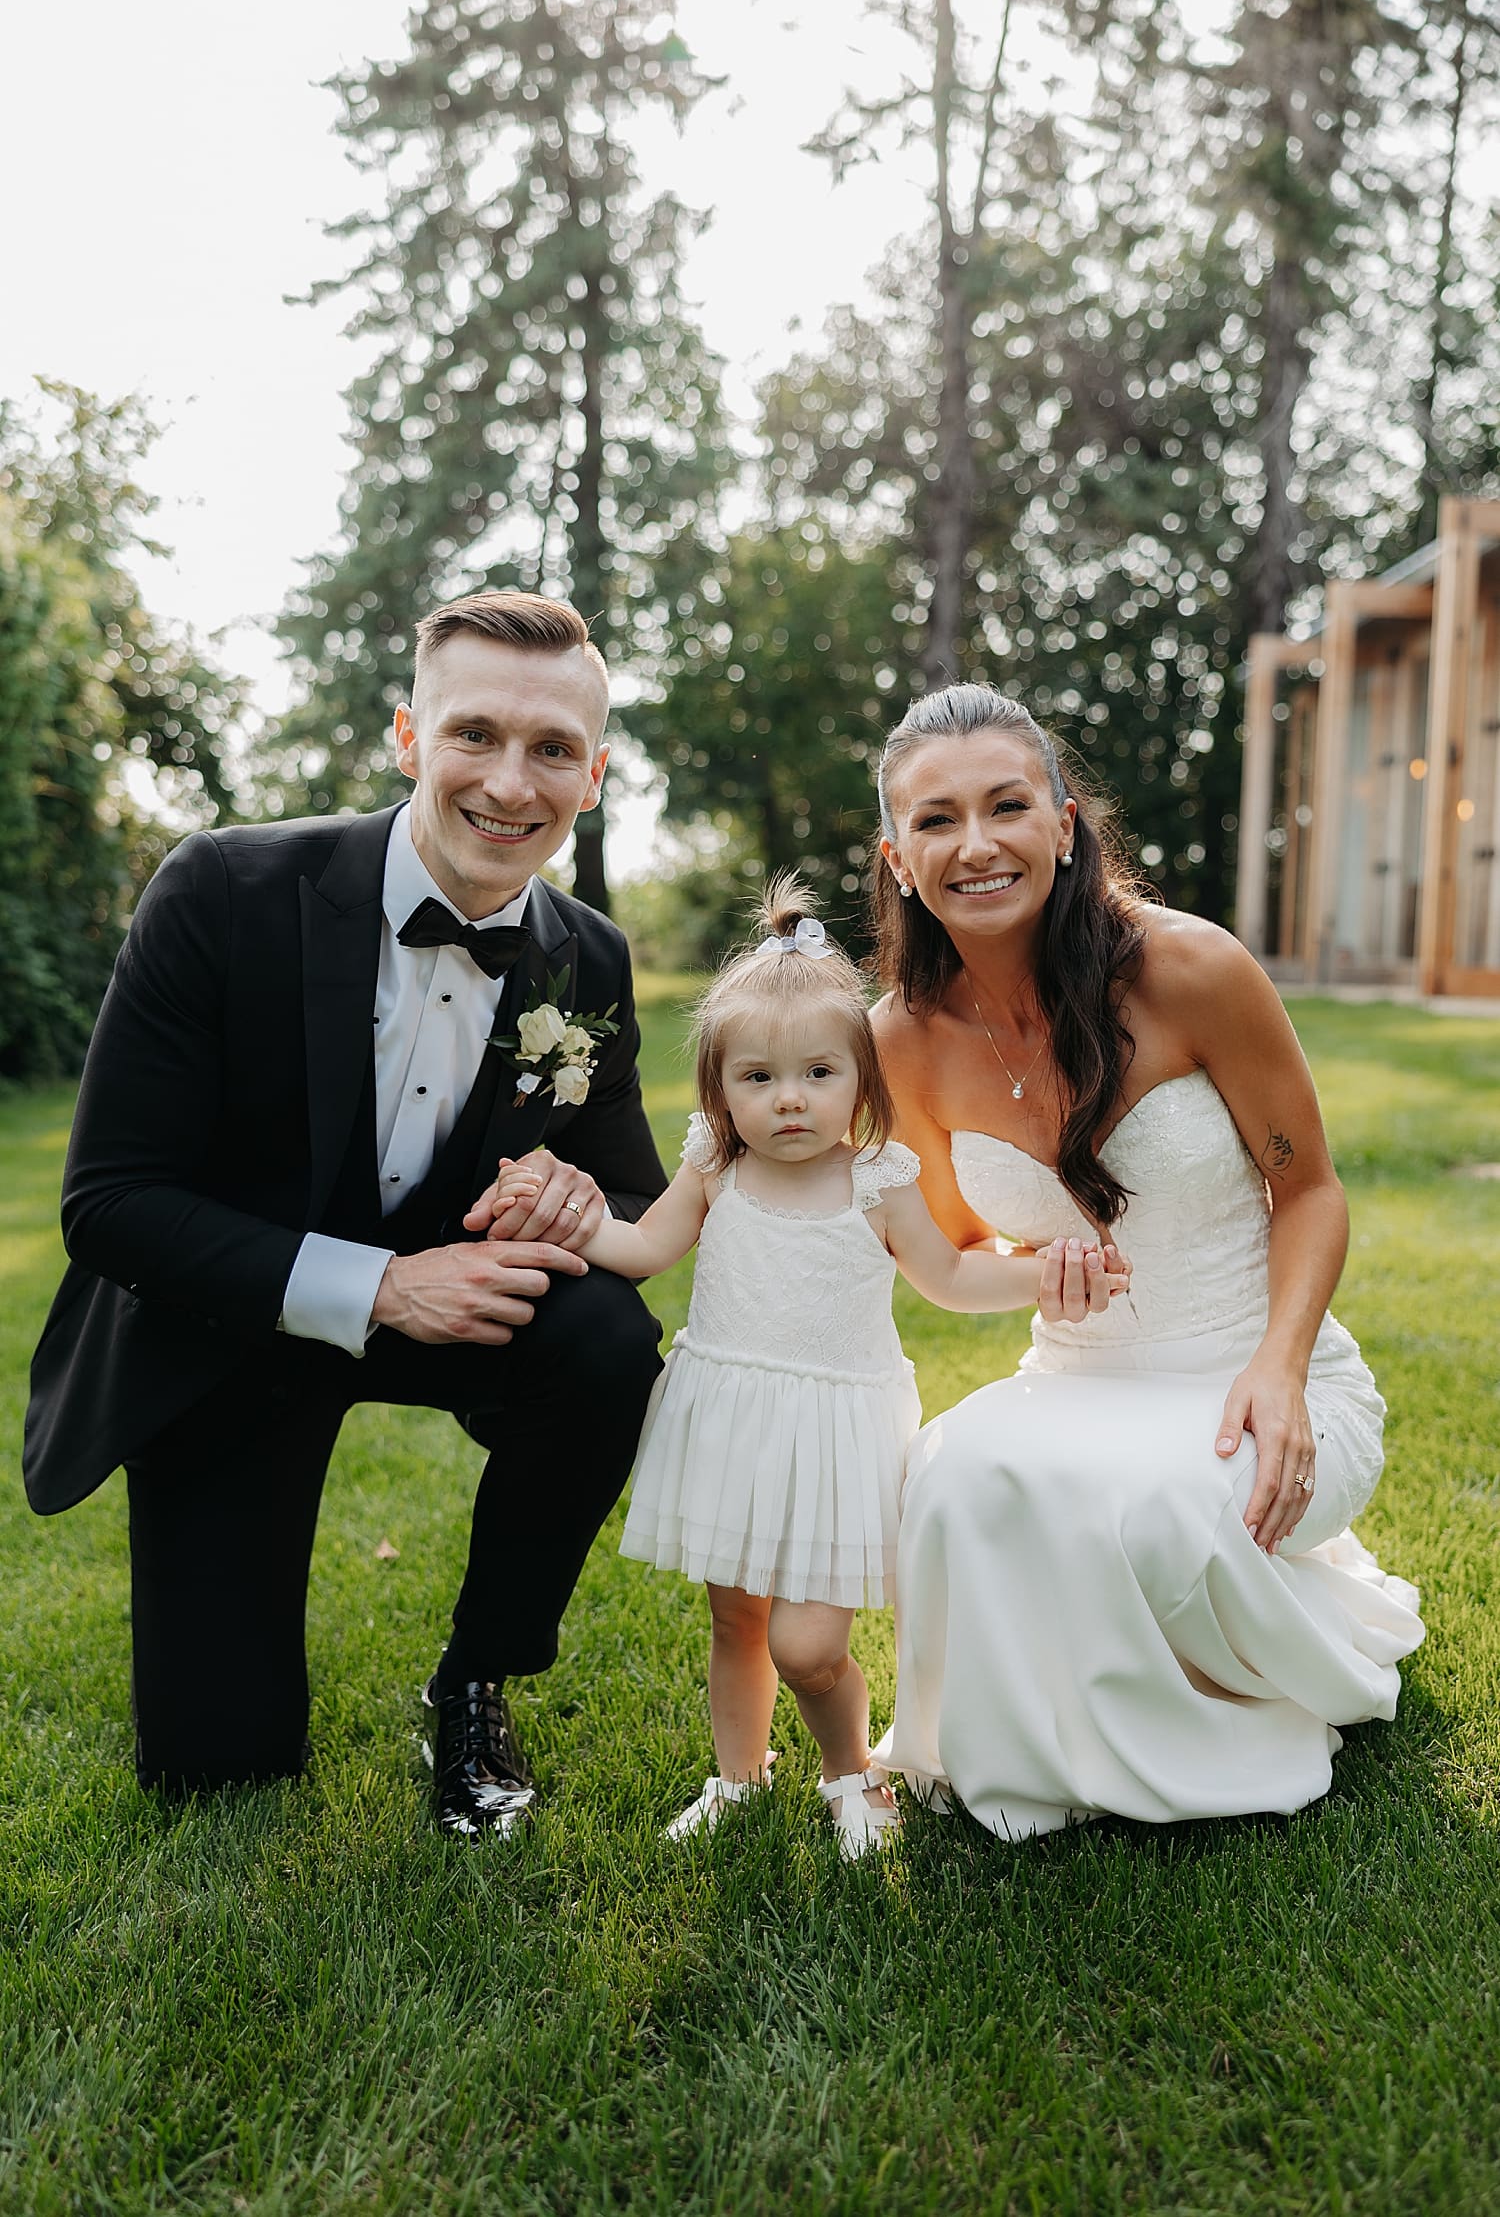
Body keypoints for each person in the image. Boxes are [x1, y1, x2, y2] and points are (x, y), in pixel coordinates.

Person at [23, 590, 669, 1840]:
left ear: (594, 774)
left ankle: (475, 1678)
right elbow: (110, 1205)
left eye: (550, 751)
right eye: (473, 733)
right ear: (407, 735)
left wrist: (579, 1196)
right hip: (230, 1326)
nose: (507, 781)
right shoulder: (221, 889)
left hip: (454, 1319)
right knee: (222, 1767)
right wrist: (378, 1287)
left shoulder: (583, 959)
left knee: (603, 1344)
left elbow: (633, 1188)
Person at [870, 684, 1425, 1839]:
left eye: (1006, 806)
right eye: (936, 820)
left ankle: (1231, 1703)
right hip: (1076, 1376)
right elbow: (947, 1255)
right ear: (899, 856)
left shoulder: (1189, 969)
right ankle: (1036, 1744)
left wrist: (1278, 1371)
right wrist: (1038, 1272)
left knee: (1172, 1513)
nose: (975, 845)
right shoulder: (897, 1039)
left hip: (1256, 1367)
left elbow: (1309, 1188)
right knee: (949, 1477)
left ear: (1064, 825)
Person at [490, 879, 1128, 1856]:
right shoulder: (717, 1167)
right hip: (730, 1417)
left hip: (834, 1435)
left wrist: (1045, 1274)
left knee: (808, 1645)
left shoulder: (876, 1179)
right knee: (737, 1618)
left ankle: (849, 1773)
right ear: (720, 1091)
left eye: (818, 1073)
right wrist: (571, 1223)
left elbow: (951, 1275)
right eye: (757, 1078)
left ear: (860, 1082)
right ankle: (738, 1778)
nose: (789, 1098)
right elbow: (644, 1250)